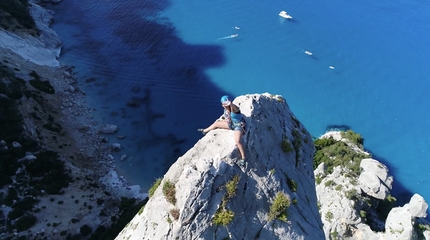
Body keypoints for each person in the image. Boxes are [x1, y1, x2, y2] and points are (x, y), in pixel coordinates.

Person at [197, 95, 246, 166]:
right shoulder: (226, 109)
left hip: (238, 126)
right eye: (223, 104)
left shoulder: (234, 109)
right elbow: (227, 118)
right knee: (216, 124)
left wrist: (230, 104)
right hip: (231, 124)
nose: (223, 105)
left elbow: (235, 108)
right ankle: (205, 131)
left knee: (237, 141)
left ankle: (243, 157)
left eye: (225, 104)